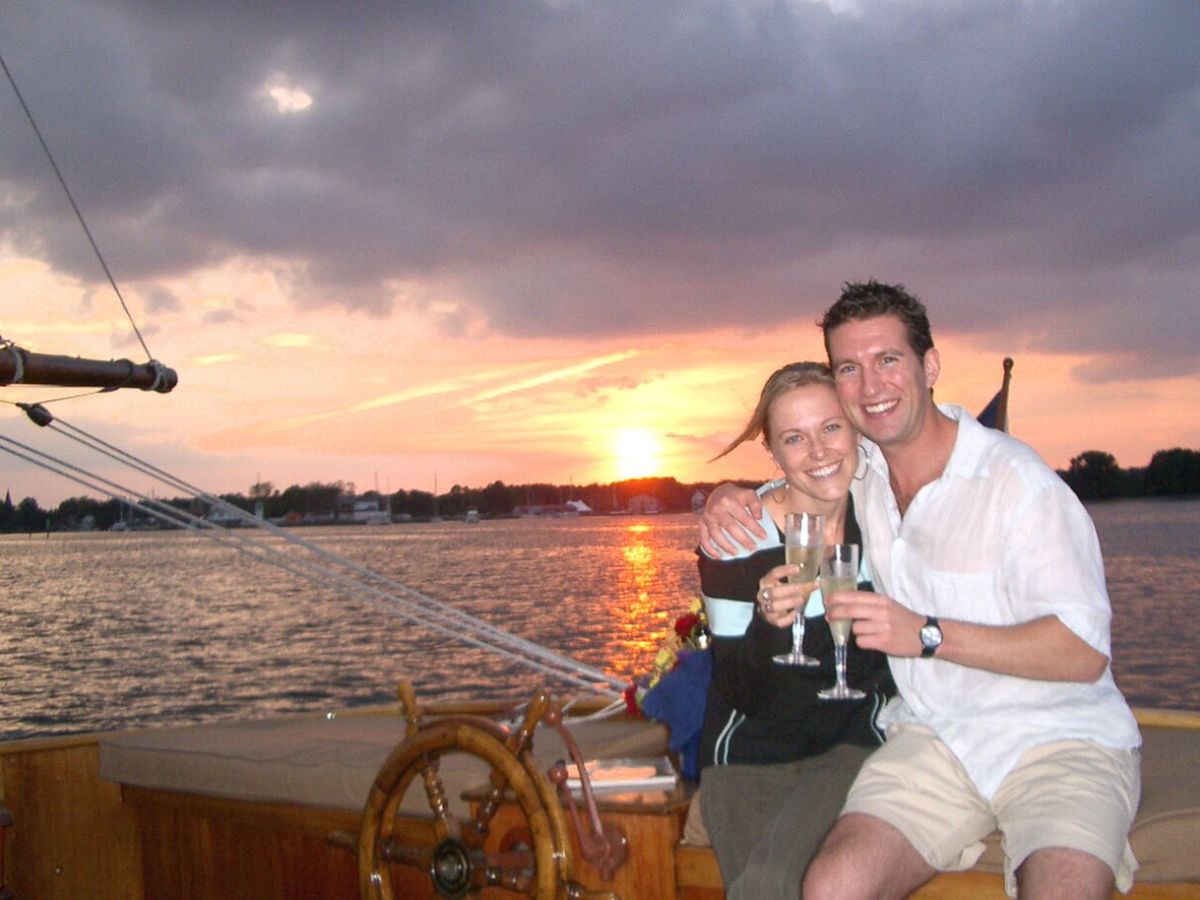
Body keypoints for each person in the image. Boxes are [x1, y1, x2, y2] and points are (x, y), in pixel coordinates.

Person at [700, 280, 1141, 900]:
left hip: (1058, 741)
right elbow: (805, 468)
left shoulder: (1020, 486)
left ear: (929, 366)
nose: (870, 386)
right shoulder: (866, 475)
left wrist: (928, 635)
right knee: (831, 887)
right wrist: (725, 500)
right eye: (849, 367)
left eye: (888, 360)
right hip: (935, 741)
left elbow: (1083, 652)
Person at [693, 361, 893, 900]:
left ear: (855, 427)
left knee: (773, 884)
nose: (820, 451)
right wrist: (767, 626)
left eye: (831, 427)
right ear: (773, 453)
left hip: (852, 739)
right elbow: (738, 689)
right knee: (764, 890)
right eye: (794, 438)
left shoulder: (885, 517)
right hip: (752, 751)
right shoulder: (736, 537)